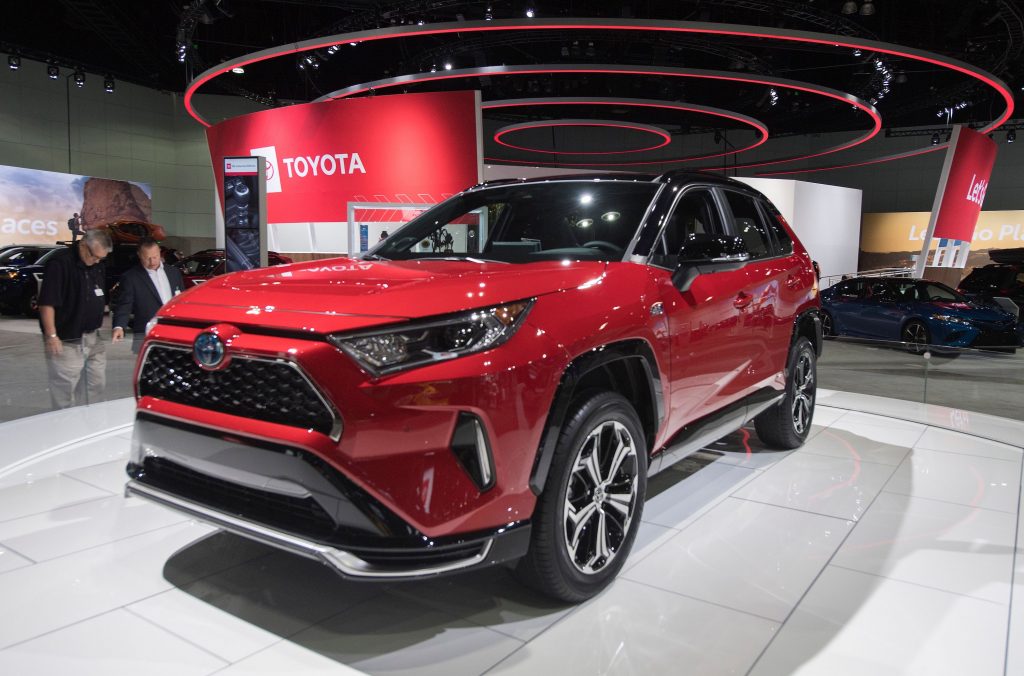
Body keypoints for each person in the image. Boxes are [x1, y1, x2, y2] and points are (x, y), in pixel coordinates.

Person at [38, 228, 113, 409]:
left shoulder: (97, 266)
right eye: (94, 256)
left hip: (93, 337)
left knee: (96, 385)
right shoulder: (60, 264)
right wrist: (52, 336)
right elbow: (47, 303)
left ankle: (90, 425)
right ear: (82, 245)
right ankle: (65, 427)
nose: (96, 261)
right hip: (67, 339)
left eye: (100, 259)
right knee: (65, 389)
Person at [112, 237, 184, 353]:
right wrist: (119, 326)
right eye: (147, 258)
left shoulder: (174, 273)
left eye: (155, 257)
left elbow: (181, 300)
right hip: (146, 334)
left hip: (173, 331)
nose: (152, 262)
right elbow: (124, 305)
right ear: (139, 255)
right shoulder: (131, 277)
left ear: (159, 252)